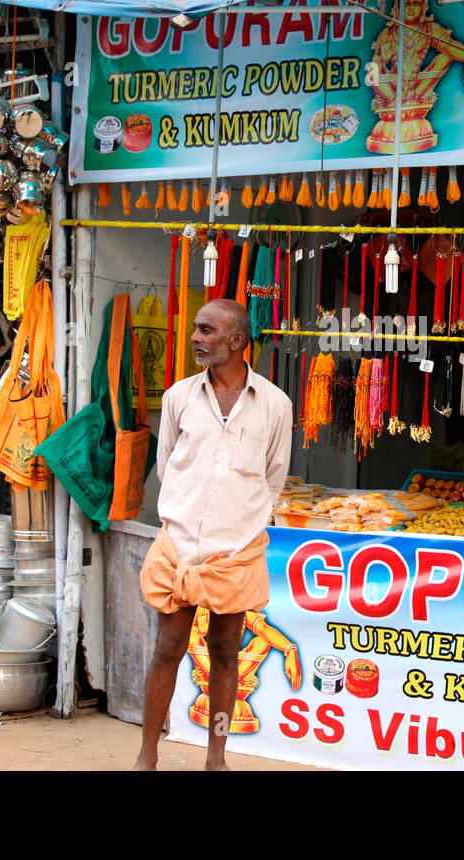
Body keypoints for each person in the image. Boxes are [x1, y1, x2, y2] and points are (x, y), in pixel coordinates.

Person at [134, 299, 292, 770]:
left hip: (236, 551)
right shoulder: (179, 397)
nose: (196, 338)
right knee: (168, 649)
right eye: (197, 329)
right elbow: (167, 467)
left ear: (237, 340)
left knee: (226, 652)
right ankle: (147, 756)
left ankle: (216, 758)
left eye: (206, 330)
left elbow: (274, 477)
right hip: (178, 546)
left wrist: (239, 526)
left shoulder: (275, 405)